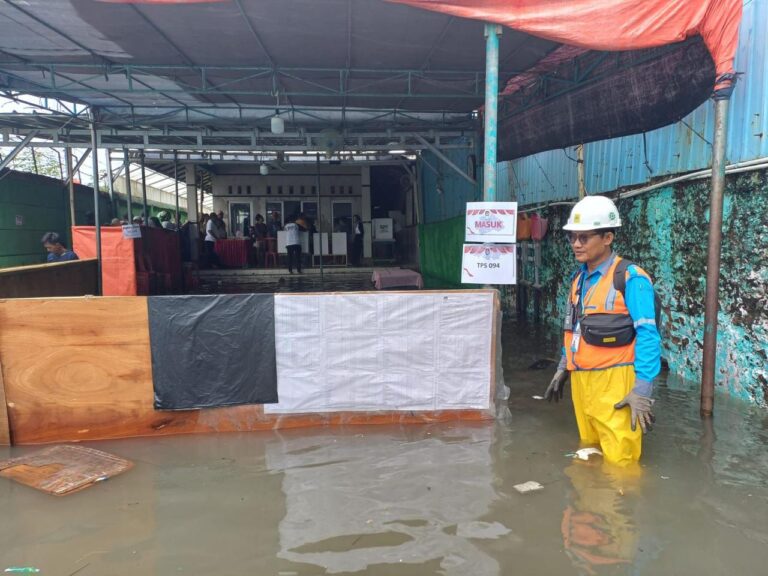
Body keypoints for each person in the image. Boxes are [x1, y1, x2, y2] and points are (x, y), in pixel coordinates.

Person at [544, 195, 660, 466]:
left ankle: (621, 505)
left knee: (621, 460)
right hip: (582, 381)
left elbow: (648, 335)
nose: (575, 244)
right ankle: (588, 505)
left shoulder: (631, 278)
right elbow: (573, 327)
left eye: (584, 238)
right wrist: (564, 365)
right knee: (589, 452)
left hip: (616, 380)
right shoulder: (578, 278)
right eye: (572, 237)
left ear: (607, 237)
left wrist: (642, 390)